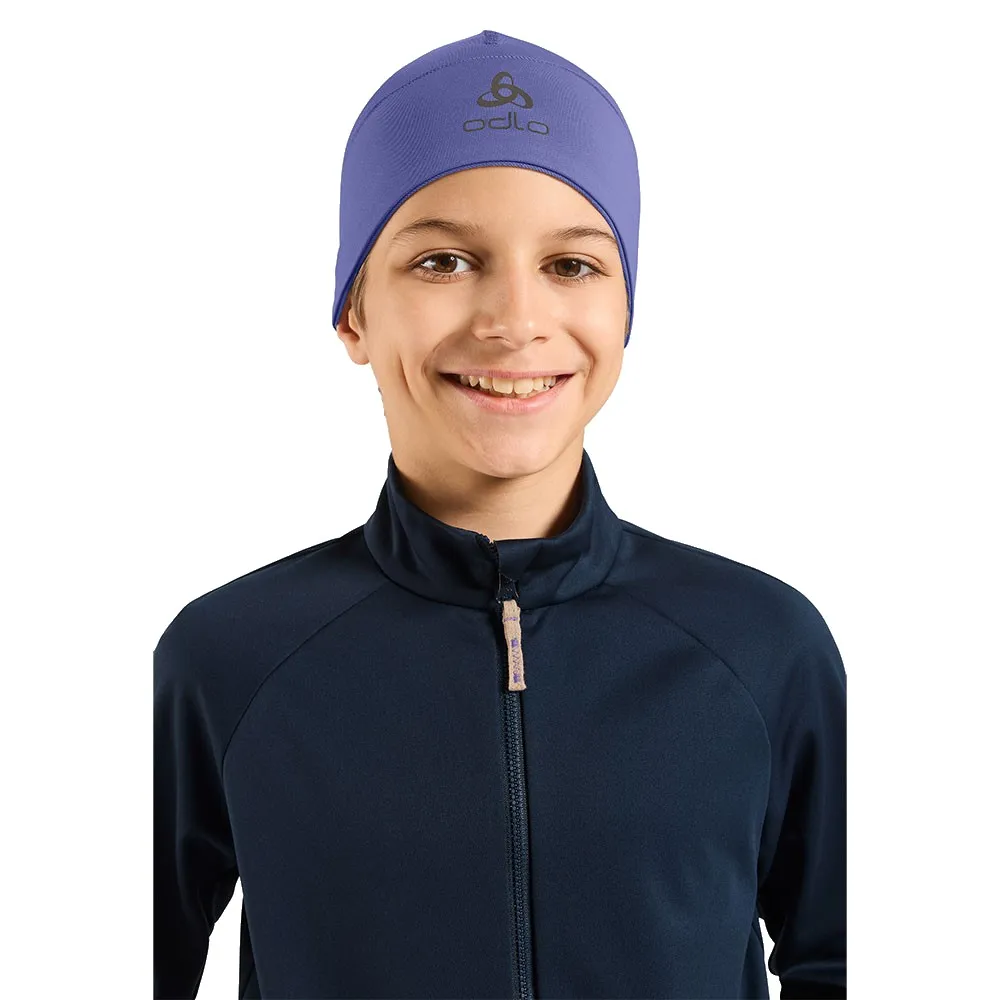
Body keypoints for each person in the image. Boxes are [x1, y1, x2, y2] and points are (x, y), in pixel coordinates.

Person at [154, 28, 847, 1000]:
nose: (514, 321)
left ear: (625, 311)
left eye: (572, 266)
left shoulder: (766, 649)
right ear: (353, 311)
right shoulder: (225, 660)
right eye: (443, 261)